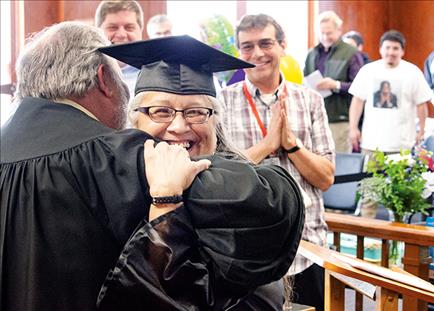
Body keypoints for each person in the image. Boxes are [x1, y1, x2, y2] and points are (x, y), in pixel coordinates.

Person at [0, 22, 305, 311]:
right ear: (132, 123)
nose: (178, 126)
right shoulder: (121, 168)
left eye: (198, 112)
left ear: (216, 121)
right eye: (160, 111)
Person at [218, 14, 335, 311]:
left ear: (283, 46)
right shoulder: (222, 103)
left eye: (266, 43)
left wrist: (292, 145)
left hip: (308, 247)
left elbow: (325, 178)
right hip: (247, 249)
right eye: (247, 47)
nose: (257, 53)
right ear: (238, 53)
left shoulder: (310, 100)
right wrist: (268, 145)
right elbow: (219, 176)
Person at [349, 30, 432, 155]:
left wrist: (421, 130)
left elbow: (421, 104)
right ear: (380, 49)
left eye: (395, 48)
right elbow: (357, 101)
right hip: (371, 144)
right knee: (368, 175)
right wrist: (353, 128)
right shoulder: (367, 71)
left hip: (402, 145)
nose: (391, 52)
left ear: (402, 51)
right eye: (387, 47)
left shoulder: (413, 72)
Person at [304, 11, 364, 153]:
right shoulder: (312, 54)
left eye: (329, 33)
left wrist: (335, 85)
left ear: (338, 31)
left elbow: (360, 87)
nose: (325, 37)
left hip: (340, 118)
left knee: (340, 164)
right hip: (314, 118)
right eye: (322, 33)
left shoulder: (351, 53)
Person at [95, 0, 144, 99]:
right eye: (112, 27)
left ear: (141, 30)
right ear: (98, 31)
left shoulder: (159, 75)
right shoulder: (84, 76)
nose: (121, 35)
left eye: (129, 27)